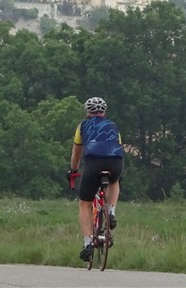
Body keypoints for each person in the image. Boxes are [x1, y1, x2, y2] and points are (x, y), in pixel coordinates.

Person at [68, 96, 123, 262]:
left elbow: (77, 152)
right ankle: (111, 211)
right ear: (103, 112)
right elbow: (119, 147)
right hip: (115, 162)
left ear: (88, 112)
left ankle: (87, 244)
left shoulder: (82, 126)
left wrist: (73, 170)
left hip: (93, 164)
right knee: (115, 182)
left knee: (85, 203)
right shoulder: (113, 126)